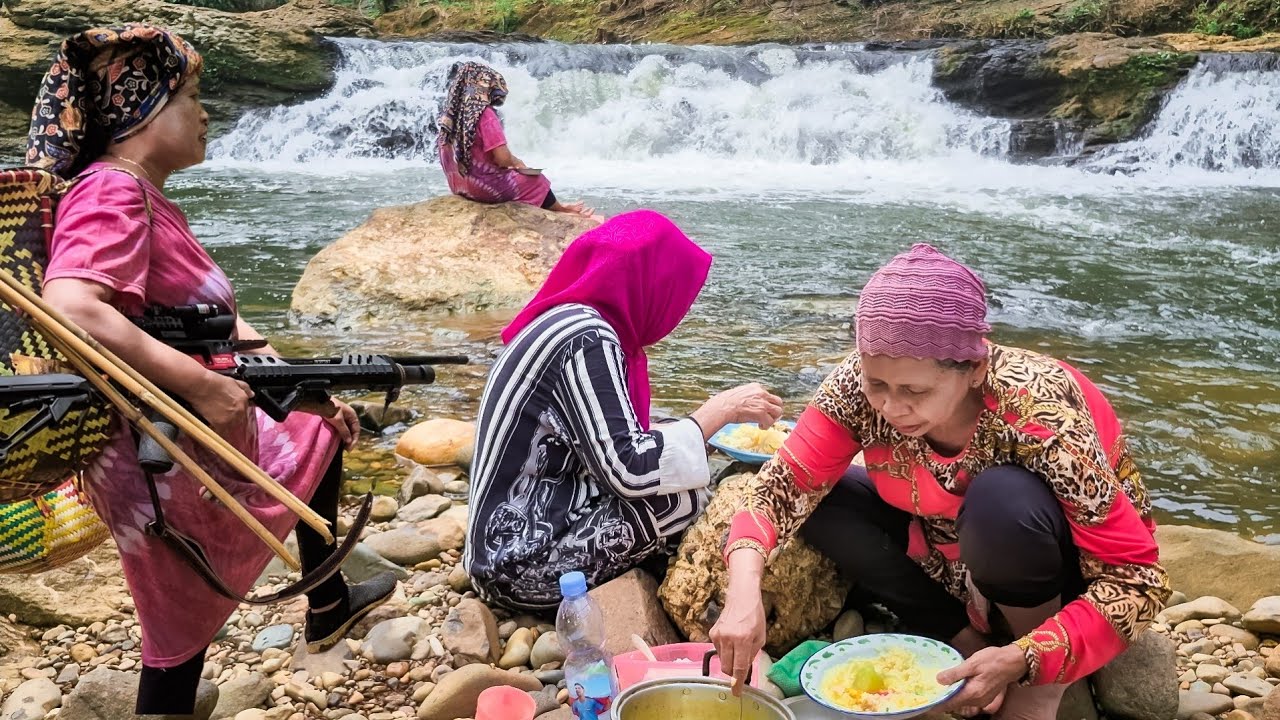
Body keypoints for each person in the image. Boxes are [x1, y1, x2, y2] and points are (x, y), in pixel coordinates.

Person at [26, 24, 397, 714]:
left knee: (317, 435)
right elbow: (73, 305)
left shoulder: (140, 194)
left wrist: (303, 395)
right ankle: (319, 607)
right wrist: (201, 385)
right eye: (190, 95)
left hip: (185, 431)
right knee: (176, 631)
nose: (206, 113)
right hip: (156, 450)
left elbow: (220, 325)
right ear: (138, 111)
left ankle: (328, 601)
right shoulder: (111, 192)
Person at [710, 244, 1169, 720]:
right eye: (877, 384)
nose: (890, 407)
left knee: (1002, 501)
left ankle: (1037, 678)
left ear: (974, 369)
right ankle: (964, 638)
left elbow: (1138, 581)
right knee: (826, 501)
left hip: (1045, 563)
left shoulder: (1036, 410)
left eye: (915, 391)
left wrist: (1025, 659)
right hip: (947, 549)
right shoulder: (856, 387)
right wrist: (744, 594)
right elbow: (777, 490)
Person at [463, 210, 784, 609]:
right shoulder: (588, 340)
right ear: (651, 284)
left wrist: (701, 435)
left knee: (681, 472)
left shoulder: (572, 320)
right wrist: (719, 411)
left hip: (496, 551)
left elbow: (610, 441)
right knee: (683, 499)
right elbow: (629, 470)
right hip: (517, 569)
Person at [437, 61, 598, 220]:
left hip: (458, 185)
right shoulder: (484, 115)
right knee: (535, 180)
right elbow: (502, 158)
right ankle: (560, 210)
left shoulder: (451, 115)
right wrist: (516, 162)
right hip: (483, 189)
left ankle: (560, 207)